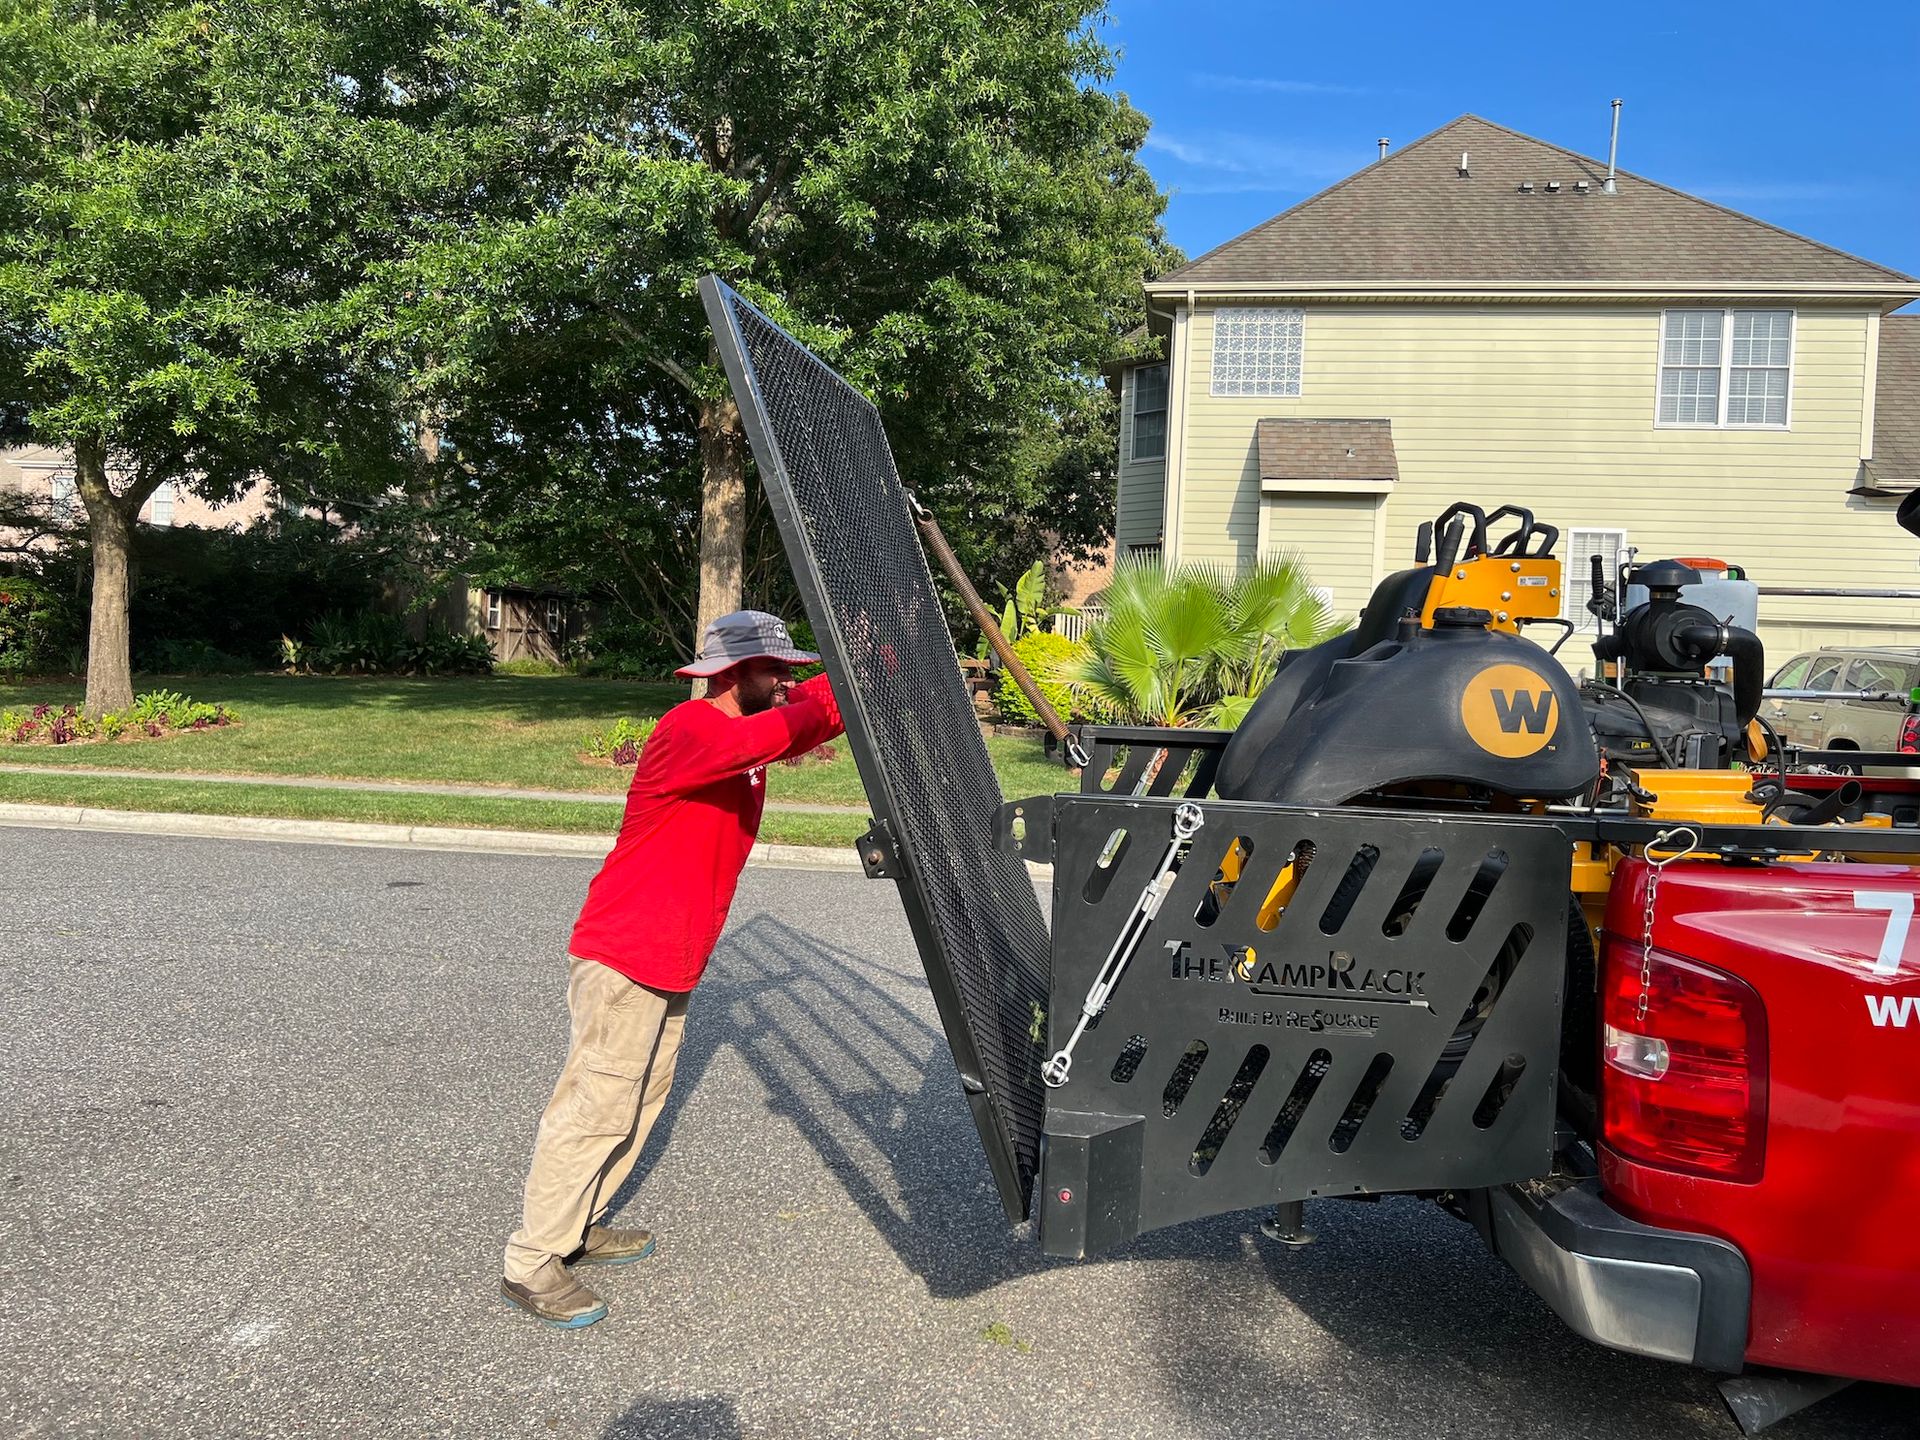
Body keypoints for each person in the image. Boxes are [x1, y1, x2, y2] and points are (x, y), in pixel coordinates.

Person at [501, 610, 844, 1327]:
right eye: (774, 669)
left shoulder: (745, 729)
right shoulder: (692, 732)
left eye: (791, 668)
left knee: (637, 1102)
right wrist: (824, 697)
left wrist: (879, 662)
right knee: (594, 1107)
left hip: (674, 957)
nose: (788, 679)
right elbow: (785, 729)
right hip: (626, 954)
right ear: (728, 674)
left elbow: (812, 715)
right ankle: (532, 1261)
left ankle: (578, 1227)